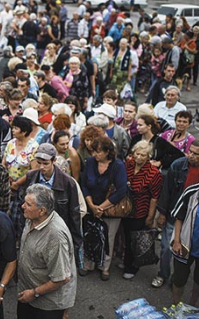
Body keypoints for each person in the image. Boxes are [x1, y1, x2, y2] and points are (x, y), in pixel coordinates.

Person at [18, 184, 77, 318]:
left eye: (28, 204)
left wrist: (34, 293)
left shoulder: (55, 237)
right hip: (26, 294)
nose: (22, 206)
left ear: (42, 210)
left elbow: (61, 278)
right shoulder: (31, 219)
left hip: (46, 306)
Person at [151, 140, 199, 288]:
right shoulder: (178, 165)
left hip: (194, 219)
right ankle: (163, 274)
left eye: (196, 154)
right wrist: (162, 214)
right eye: (190, 151)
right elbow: (166, 192)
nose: (191, 155)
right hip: (173, 214)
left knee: (186, 251)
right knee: (166, 247)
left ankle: (177, 279)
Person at [81, 136, 128, 281]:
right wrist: (91, 206)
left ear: (108, 152)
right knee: (89, 235)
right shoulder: (90, 162)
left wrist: (100, 208)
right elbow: (83, 185)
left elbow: (121, 190)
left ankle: (104, 267)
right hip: (91, 206)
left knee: (108, 238)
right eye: (93, 151)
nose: (95, 155)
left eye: (98, 152)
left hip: (110, 208)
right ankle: (88, 264)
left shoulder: (118, 166)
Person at [121, 140, 163, 279]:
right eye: (137, 154)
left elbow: (154, 197)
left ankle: (132, 266)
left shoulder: (153, 173)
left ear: (148, 156)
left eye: (143, 155)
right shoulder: (128, 164)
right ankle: (126, 261)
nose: (139, 157)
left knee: (136, 238)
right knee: (126, 237)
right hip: (125, 208)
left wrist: (150, 217)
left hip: (140, 210)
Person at [3, 116, 39, 239]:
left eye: (16, 128)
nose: (13, 130)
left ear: (24, 132)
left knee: (22, 216)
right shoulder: (10, 144)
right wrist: (8, 180)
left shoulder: (33, 146)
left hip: (24, 187)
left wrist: (18, 183)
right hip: (8, 185)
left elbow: (33, 170)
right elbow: (4, 163)